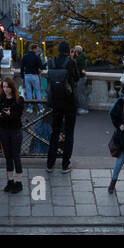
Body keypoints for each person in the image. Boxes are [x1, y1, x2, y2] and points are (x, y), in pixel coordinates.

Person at [45, 41, 80, 172]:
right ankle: (65, 164)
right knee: (69, 133)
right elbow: (76, 77)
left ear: (58, 49)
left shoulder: (51, 62)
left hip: (55, 101)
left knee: (55, 132)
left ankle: (50, 163)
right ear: (68, 50)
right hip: (69, 101)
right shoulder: (71, 62)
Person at [0, 75, 25, 193]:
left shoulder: (19, 99)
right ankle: (10, 181)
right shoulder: (1, 98)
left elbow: (18, 115)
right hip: (4, 130)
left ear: (12, 87)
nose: (5, 89)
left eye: (8, 87)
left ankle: (19, 182)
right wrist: (2, 114)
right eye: (4, 87)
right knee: (7, 156)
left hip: (15, 130)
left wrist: (9, 114)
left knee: (16, 156)